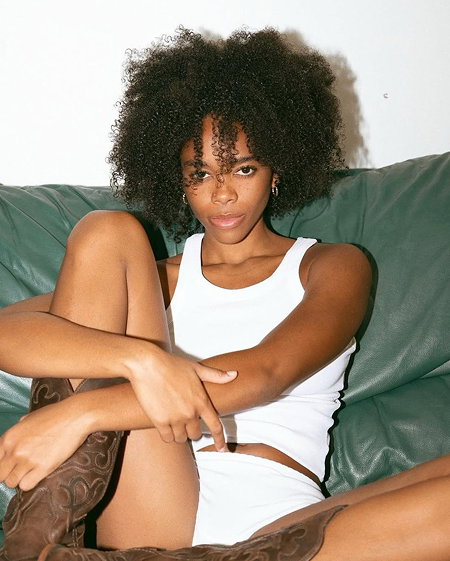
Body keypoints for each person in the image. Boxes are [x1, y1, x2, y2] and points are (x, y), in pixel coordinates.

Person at [0, 27, 449, 561]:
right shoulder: (152, 281)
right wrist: (142, 361)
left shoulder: (331, 266)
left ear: (277, 169)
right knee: (106, 231)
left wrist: (84, 413)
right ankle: (31, 550)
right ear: (178, 179)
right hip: (157, 503)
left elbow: (266, 372)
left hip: (283, 527)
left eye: (243, 168)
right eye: (201, 173)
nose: (222, 194)